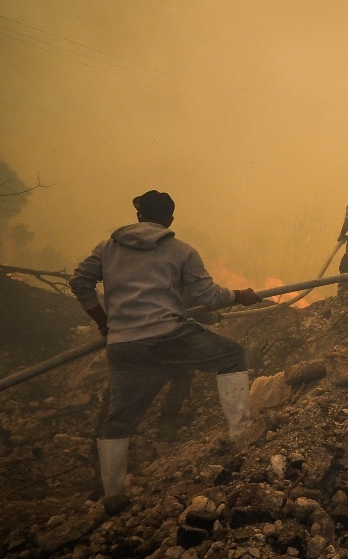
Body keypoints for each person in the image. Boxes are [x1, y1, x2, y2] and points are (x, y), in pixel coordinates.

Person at [70, 190, 262, 500]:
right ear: (170, 220)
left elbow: (79, 281)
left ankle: (112, 494)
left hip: (123, 346)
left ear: (138, 216)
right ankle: (242, 437)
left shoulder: (106, 249)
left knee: (119, 419)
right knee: (232, 356)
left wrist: (103, 322)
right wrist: (242, 296)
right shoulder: (181, 251)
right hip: (169, 337)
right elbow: (208, 296)